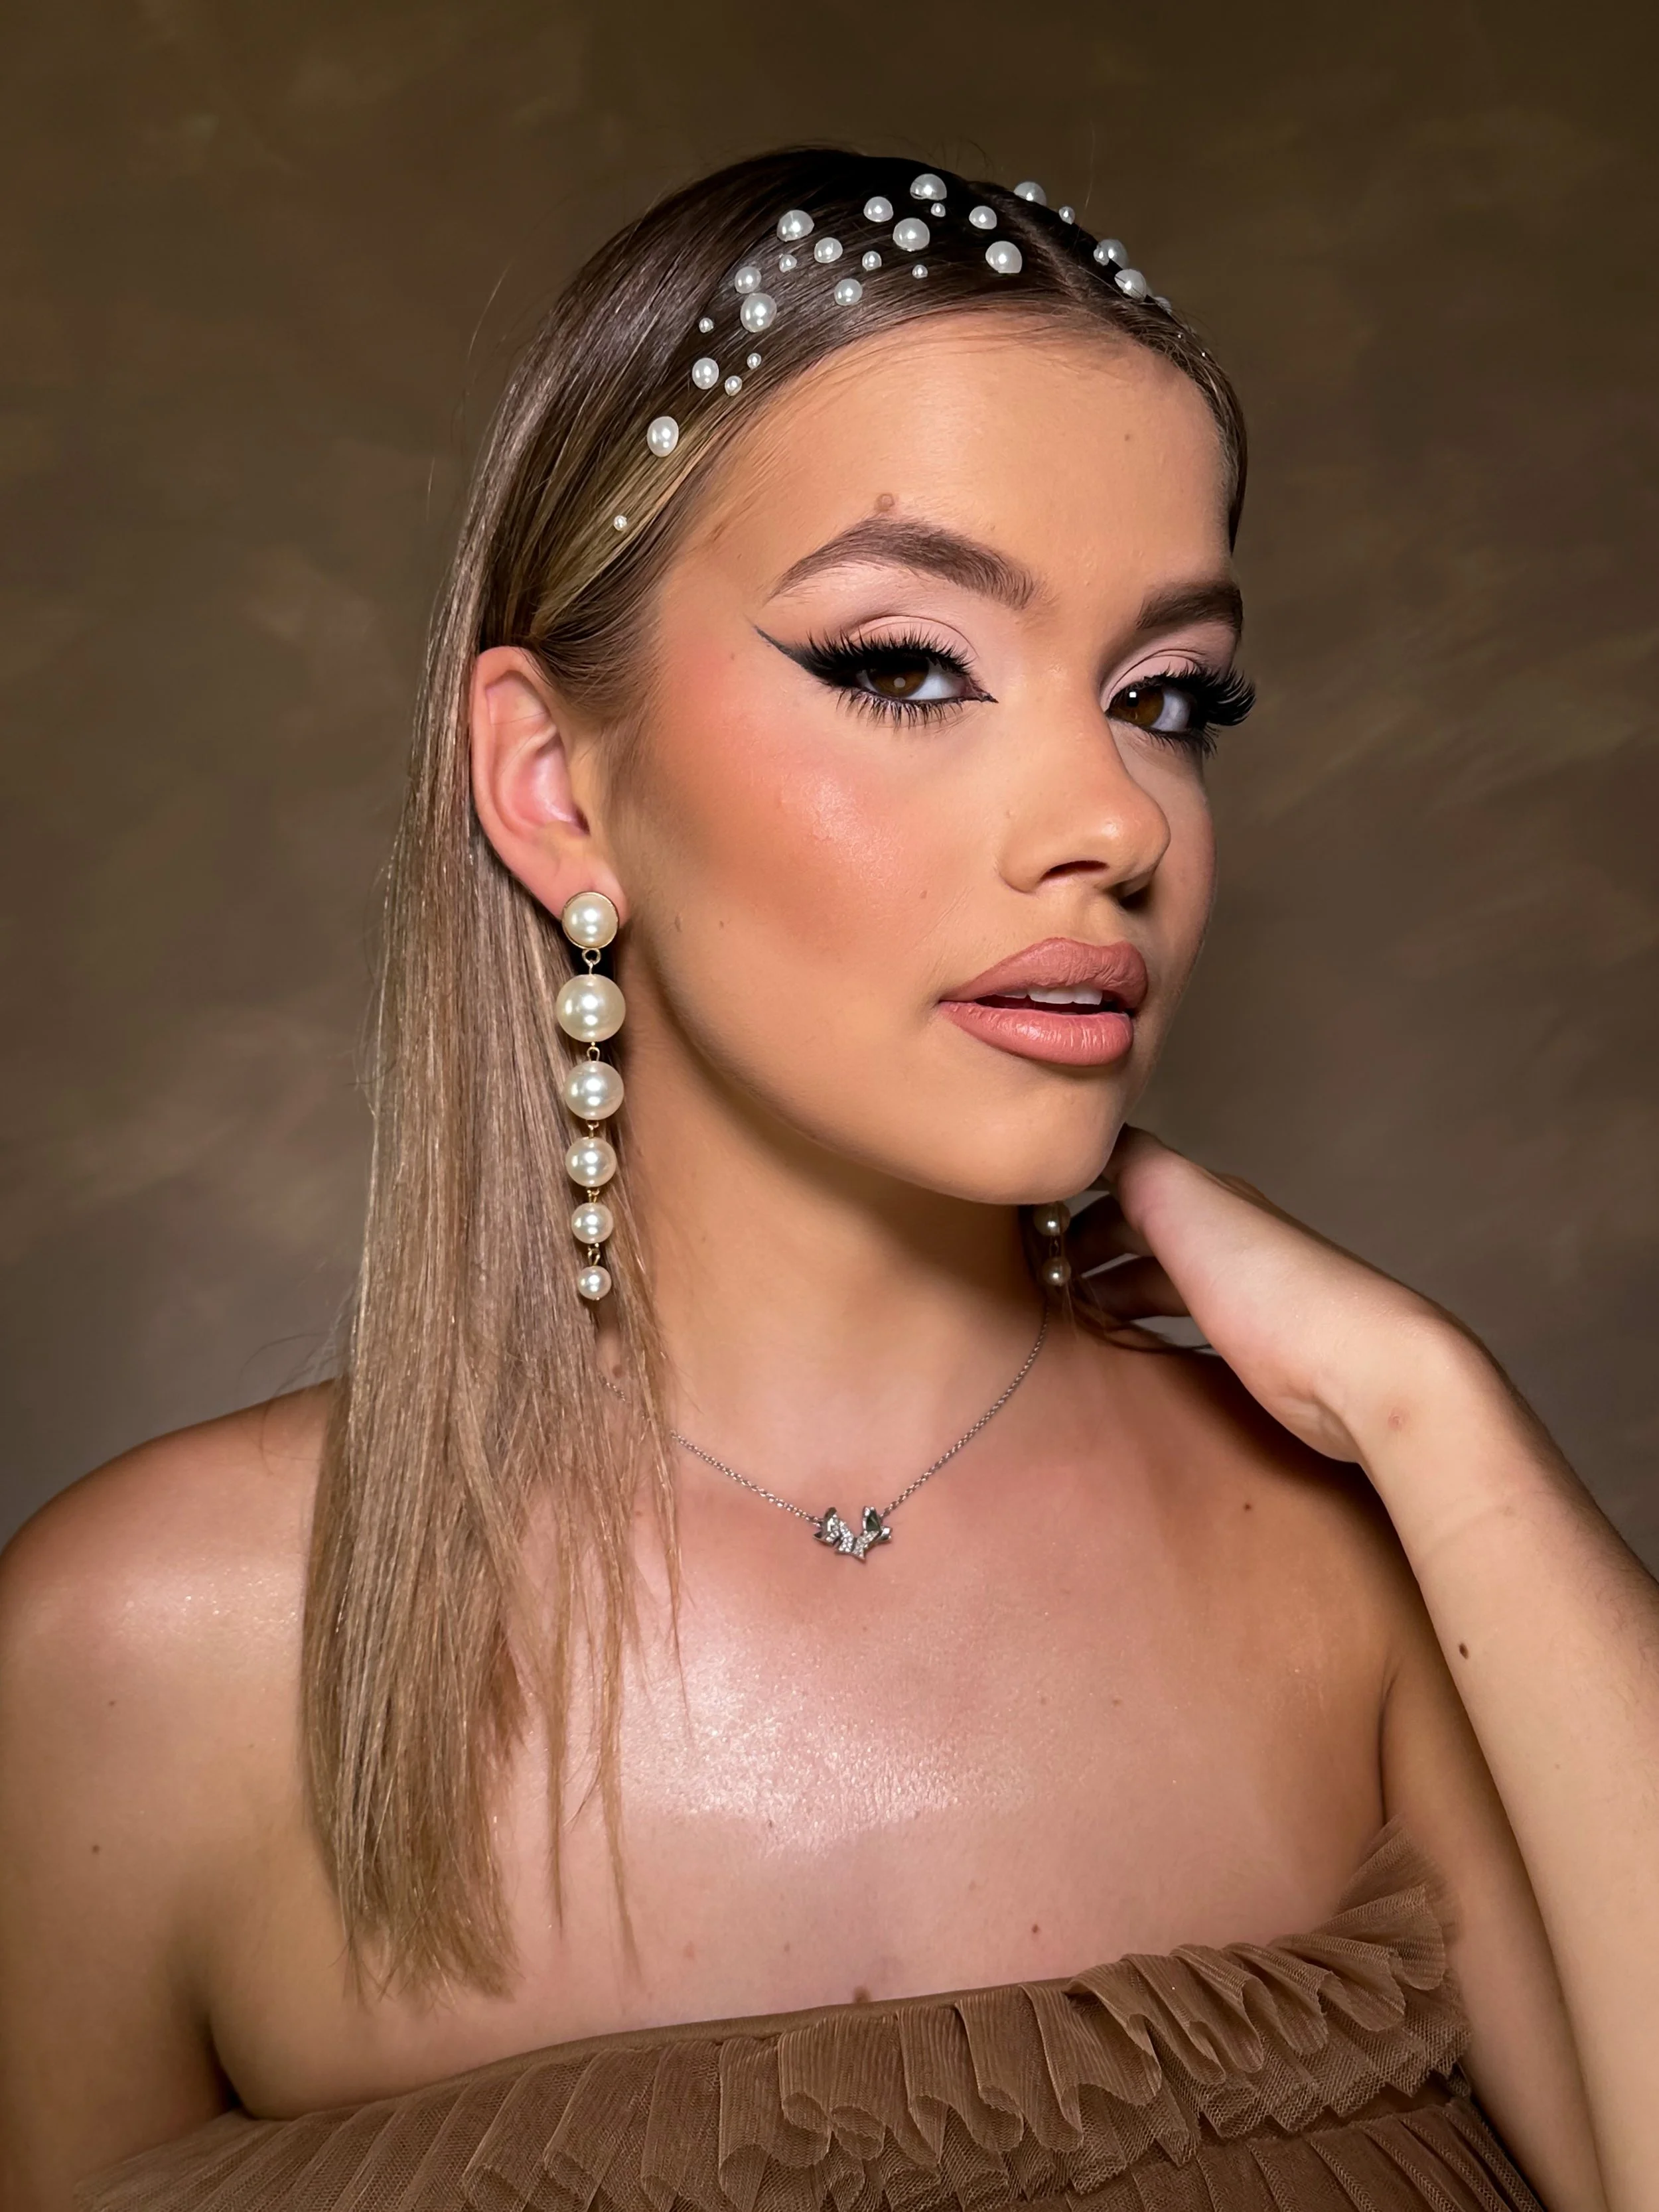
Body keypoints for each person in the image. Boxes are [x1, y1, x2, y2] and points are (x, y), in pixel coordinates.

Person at [0, 147, 1652, 2212]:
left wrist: (1429, 1401)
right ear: (552, 781)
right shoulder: (146, 1656)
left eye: (1166, 698)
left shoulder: (1369, 1567)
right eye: (904, 663)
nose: (1107, 819)